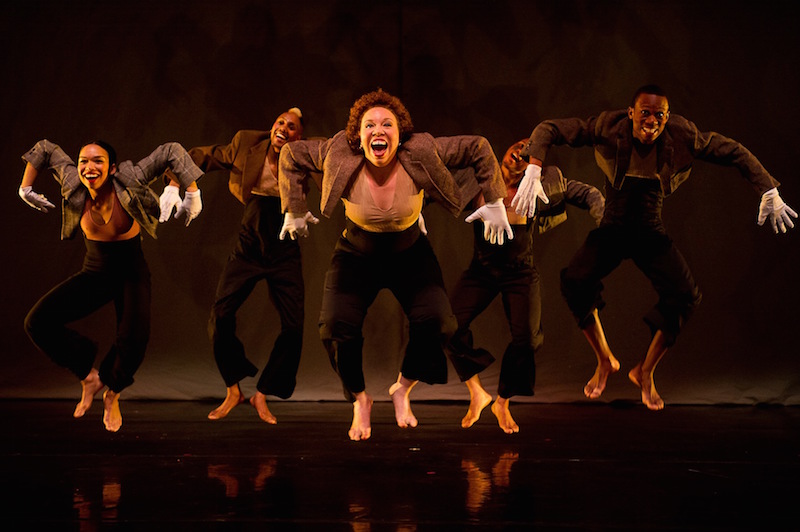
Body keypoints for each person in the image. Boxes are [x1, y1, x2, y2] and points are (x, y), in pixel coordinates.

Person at [512, 84, 797, 410]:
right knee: (575, 279)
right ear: (631, 113)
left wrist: (767, 189)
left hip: (649, 226)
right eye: (644, 113)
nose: (651, 121)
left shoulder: (682, 134)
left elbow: (732, 151)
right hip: (614, 223)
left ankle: (645, 372)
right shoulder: (607, 126)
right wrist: (534, 165)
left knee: (685, 295)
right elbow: (549, 129)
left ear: (667, 117)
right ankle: (605, 360)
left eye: (659, 115)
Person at [278, 89, 514, 441]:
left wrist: (495, 199)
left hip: (410, 251)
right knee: (334, 329)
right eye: (369, 124)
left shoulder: (421, 148)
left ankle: (402, 388)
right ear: (358, 135)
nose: (378, 130)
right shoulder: (337, 149)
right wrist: (294, 207)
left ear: (400, 132)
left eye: (387, 124)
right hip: (356, 252)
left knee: (438, 323)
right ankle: (360, 398)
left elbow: (478, 147)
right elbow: (291, 153)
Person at [19, 139, 203, 432]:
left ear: (113, 168)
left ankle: (113, 392)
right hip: (95, 271)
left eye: (98, 161)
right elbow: (44, 149)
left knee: (134, 339)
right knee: (37, 322)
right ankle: (89, 377)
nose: (89, 167)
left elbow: (171, 151)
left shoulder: (129, 177)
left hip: (131, 271)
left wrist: (191, 191)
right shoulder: (72, 181)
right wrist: (25, 188)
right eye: (83, 161)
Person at [160, 108, 312, 424]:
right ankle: (233, 388)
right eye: (280, 121)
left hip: (285, 246)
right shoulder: (246, 143)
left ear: (300, 136)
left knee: (294, 327)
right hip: (249, 243)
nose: (283, 127)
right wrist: (175, 184)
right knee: (221, 316)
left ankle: (263, 392)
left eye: (291, 126)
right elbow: (201, 156)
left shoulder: (307, 153)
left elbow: (344, 153)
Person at [448, 139, 604, 433]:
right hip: (481, 270)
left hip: (520, 271)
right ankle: (477, 392)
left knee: (529, 340)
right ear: (506, 149)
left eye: (529, 153)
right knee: (447, 325)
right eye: (520, 145)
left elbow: (587, 193)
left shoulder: (543, 185)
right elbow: (433, 182)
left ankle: (502, 401)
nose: (521, 152)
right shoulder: (476, 178)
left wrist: (603, 218)